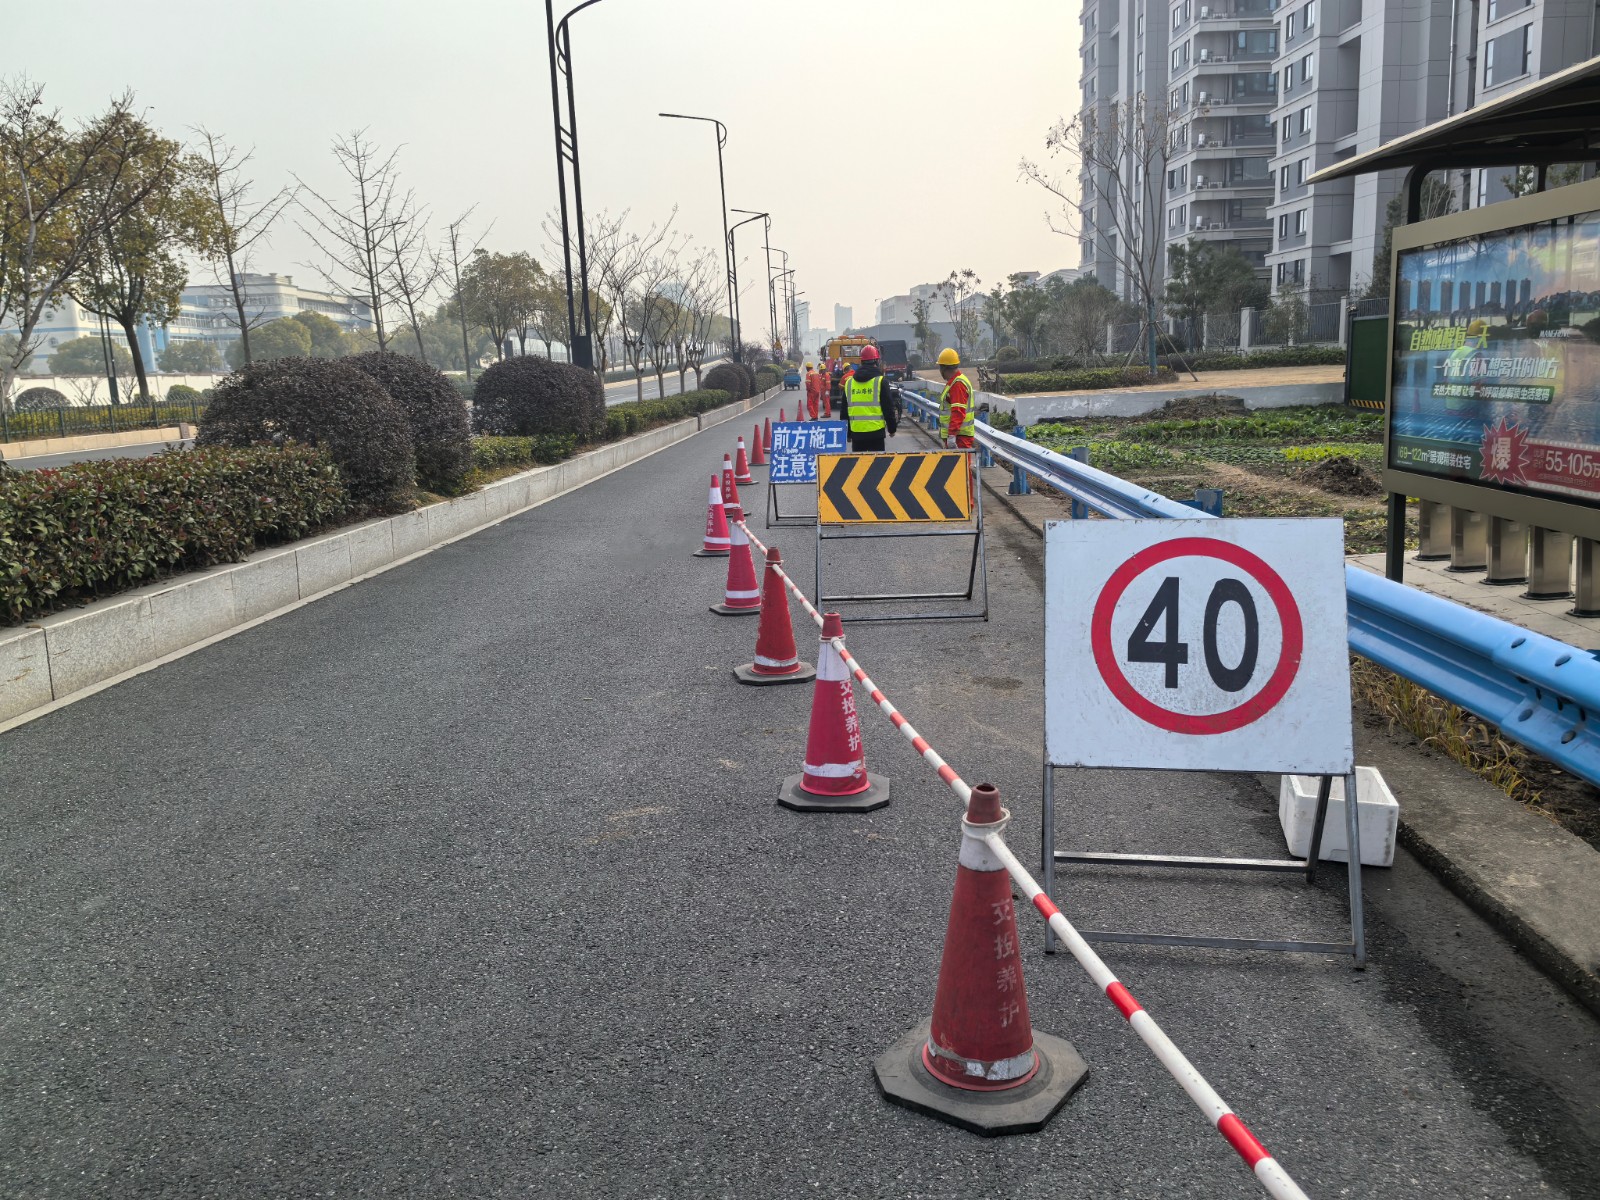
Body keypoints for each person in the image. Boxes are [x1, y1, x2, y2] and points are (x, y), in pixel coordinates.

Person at [844, 344, 899, 452]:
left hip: (857, 434)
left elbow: (844, 411)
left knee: (859, 462)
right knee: (877, 462)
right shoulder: (881, 381)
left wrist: (847, 434)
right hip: (876, 434)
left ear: (861, 361)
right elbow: (888, 408)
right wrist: (892, 429)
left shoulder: (849, 383)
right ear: (876, 361)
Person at [936, 347, 976, 450]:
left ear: (943, 368)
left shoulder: (957, 384)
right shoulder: (956, 381)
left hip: (959, 437)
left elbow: (958, 411)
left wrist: (952, 435)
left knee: (961, 461)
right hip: (958, 436)